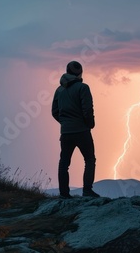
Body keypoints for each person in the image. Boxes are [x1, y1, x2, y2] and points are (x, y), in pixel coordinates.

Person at [52, 61, 100, 198]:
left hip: (66, 132)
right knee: (90, 159)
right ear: (80, 73)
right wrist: (90, 124)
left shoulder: (59, 90)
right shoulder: (83, 88)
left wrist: (65, 123)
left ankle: (64, 194)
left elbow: (54, 111)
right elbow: (87, 110)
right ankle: (87, 191)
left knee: (64, 163)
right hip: (81, 131)